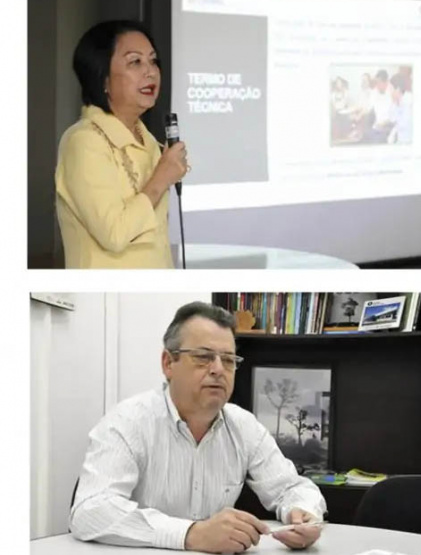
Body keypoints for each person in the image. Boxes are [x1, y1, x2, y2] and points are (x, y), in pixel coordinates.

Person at [70, 302, 325, 553]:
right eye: (203, 358)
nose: (217, 370)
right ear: (168, 363)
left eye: (228, 360)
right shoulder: (127, 422)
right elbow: (89, 511)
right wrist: (190, 533)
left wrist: (304, 513)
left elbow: (293, 488)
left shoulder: (244, 426)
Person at [56, 20, 188, 268]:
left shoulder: (147, 138)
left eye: (153, 60)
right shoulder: (83, 141)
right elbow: (115, 234)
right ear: (103, 78)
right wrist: (161, 178)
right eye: (135, 62)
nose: (150, 72)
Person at [386, 73, 413, 144]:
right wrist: (394, 103)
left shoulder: (409, 100)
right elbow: (392, 119)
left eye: (391, 89)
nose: (389, 92)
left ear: (397, 89)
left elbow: (403, 124)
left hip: (409, 141)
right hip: (400, 139)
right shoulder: (397, 101)